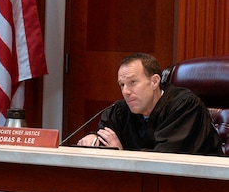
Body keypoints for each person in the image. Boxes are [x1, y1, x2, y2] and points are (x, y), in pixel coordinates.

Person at [77, 53, 221, 155]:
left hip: (197, 189)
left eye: (132, 82)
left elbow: (163, 160)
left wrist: (121, 156)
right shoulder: (119, 111)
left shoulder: (185, 106)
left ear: (154, 81)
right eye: (122, 84)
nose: (126, 91)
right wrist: (93, 141)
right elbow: (104, 141)